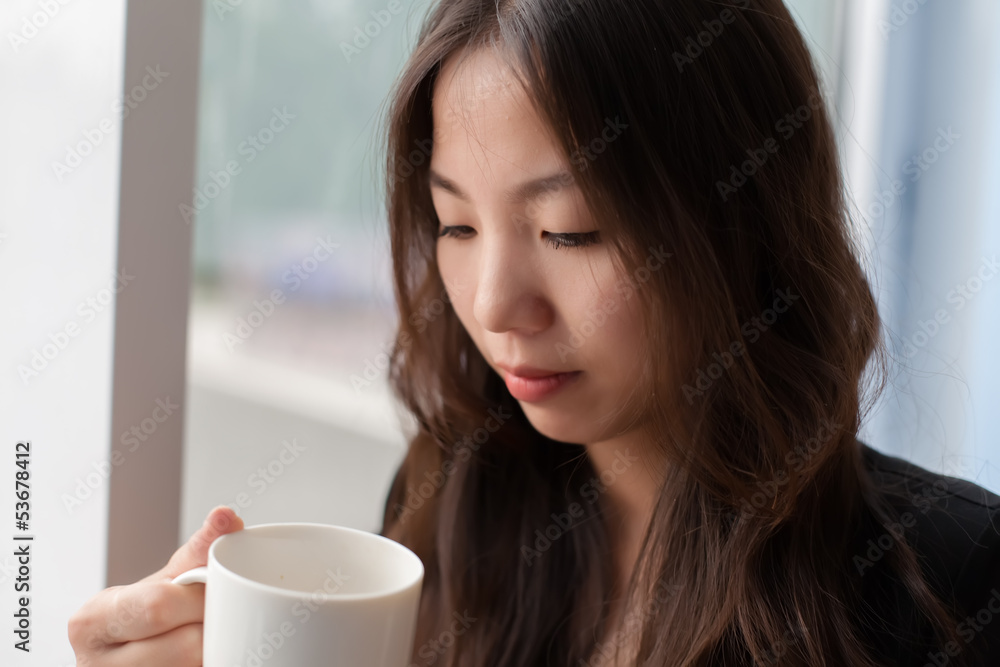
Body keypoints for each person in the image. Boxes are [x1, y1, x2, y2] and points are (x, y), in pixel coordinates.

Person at [69, 0, 1000, 665]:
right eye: (457, 225)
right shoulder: (452, 503)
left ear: (742, 218)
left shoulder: (950, 576)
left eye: (570, 231)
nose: (494, 303)